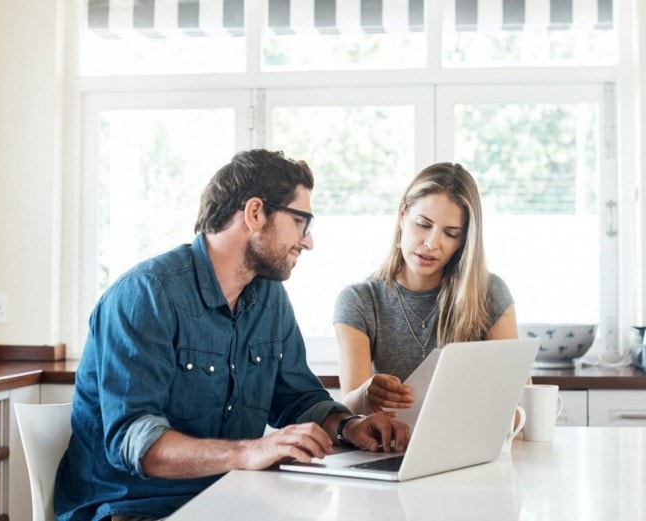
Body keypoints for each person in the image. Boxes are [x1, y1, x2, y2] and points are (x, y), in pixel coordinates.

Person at [54, 149, 410, 521]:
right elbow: (135, 440)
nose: (308, 241)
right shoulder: (145, 295)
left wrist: (349, 427)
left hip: (231, 497)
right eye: (300, 221)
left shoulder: (269, 297)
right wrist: (247, 452)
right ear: (255, 213)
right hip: (132, 507)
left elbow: (298, 397)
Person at [334, 162, 520, 415]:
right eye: (423, 224)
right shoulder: (360, 300)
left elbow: (520, 399)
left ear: (464, 241)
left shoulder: (487, 293)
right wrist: (367, 393)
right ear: (402, 215)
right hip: (389, 447)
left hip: (467, 448)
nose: (432, 243)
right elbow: (351, 409)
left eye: (450, 234)